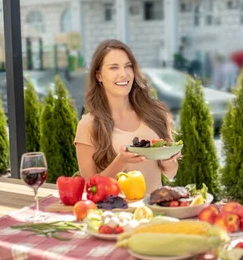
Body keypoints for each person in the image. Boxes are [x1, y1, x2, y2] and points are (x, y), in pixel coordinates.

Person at [74, 39, 178, 193]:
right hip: (116, 214)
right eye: (114, 67)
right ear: (99, 76)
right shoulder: (88, 125)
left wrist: (168, 160)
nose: (123, 74)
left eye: (128, 66)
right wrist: (120, 162)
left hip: (153, 211)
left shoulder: (155, 114)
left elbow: (171, 173)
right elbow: (91, 189)